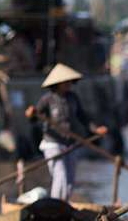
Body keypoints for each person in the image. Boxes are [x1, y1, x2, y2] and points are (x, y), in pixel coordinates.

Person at [25, 63, 107, 201]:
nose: (69, 84)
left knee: (69, 180)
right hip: (53, 144)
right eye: (66, 82)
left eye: (70, 81)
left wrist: (96, 129)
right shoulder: (47, 100)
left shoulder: (73, 98)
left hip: (70, 144)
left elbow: (83, 118)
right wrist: (31, 114)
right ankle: (55, 205)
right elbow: (34, 118)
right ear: (58, 83)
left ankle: (64, 204)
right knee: (60, 176)